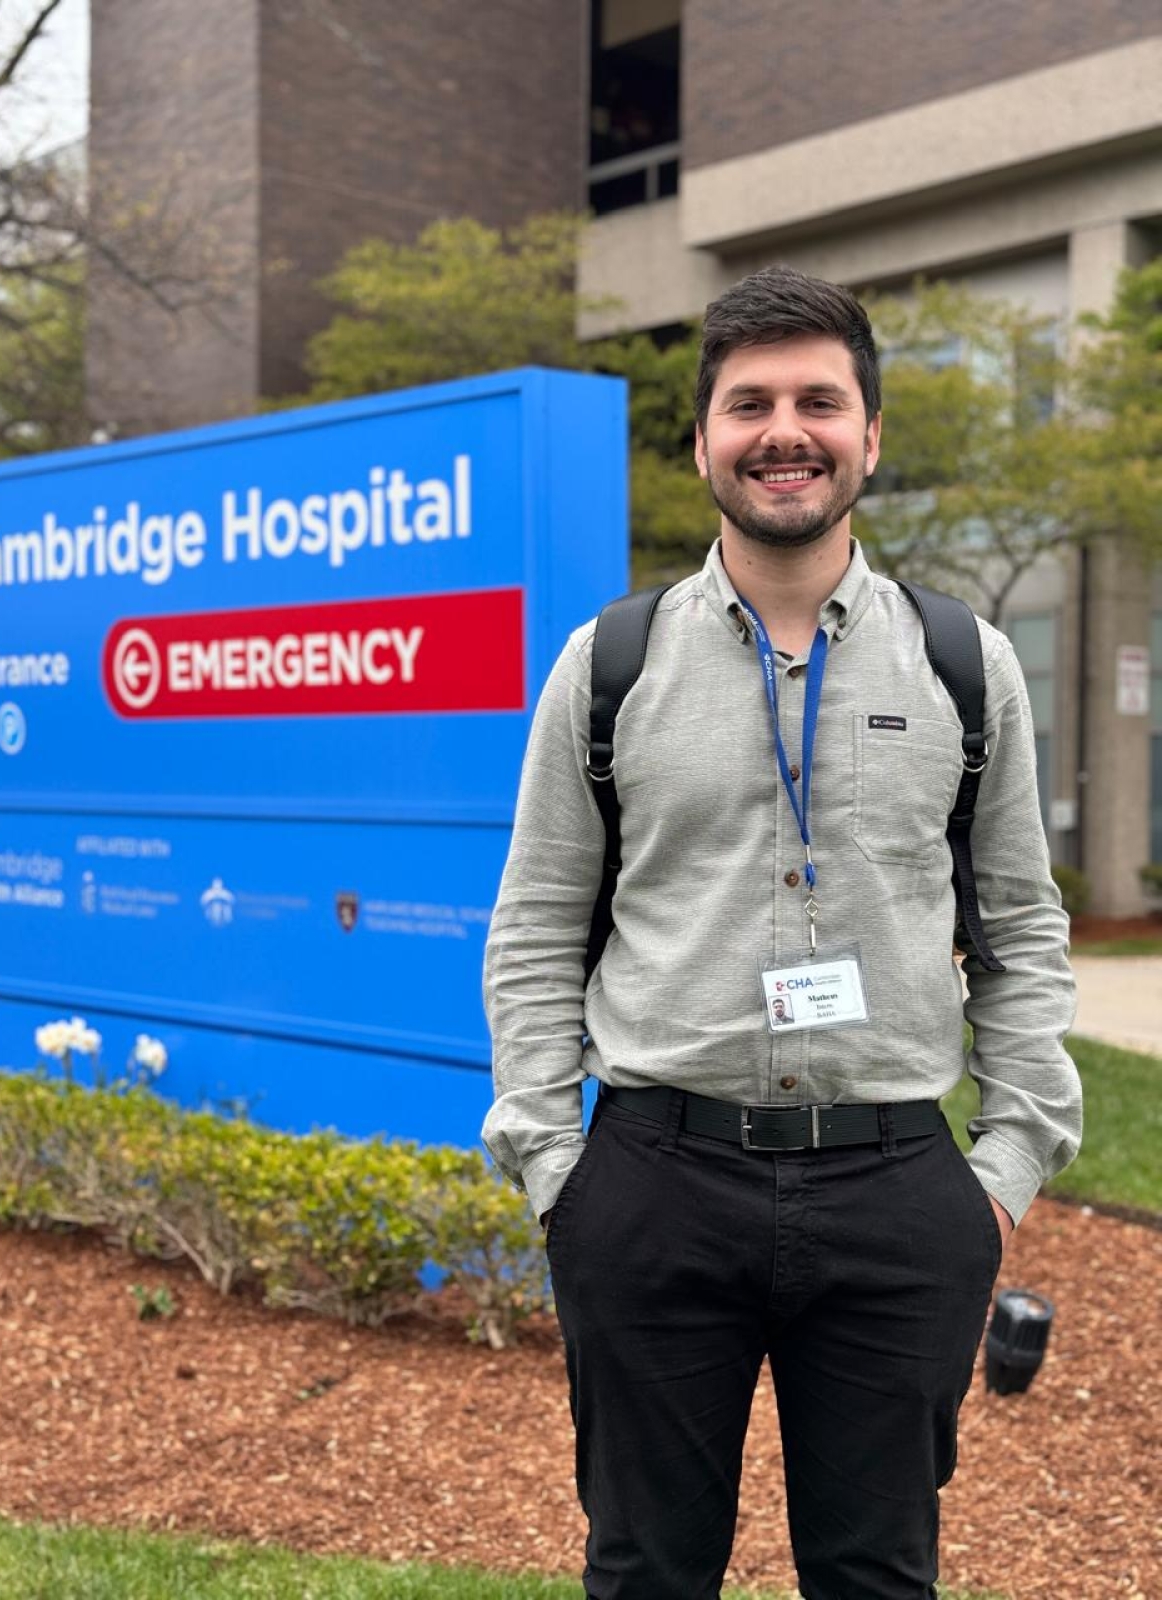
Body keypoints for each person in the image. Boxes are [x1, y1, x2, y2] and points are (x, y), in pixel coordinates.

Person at [481, 265, 1081, 1600]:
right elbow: (533, 924)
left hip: (897, 1194)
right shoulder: (610, 665)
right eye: (748, 403)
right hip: (651, 1180)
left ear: (868, 435)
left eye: (820, 399)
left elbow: (1025, 924)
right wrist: (555, 1167)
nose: (784, 429)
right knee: (644, 1573)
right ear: (703, 442)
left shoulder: (964, 666)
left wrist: (1007, 1167)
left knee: (878, 1576)